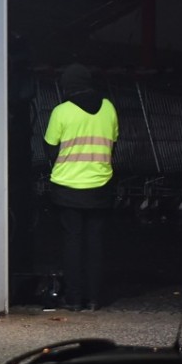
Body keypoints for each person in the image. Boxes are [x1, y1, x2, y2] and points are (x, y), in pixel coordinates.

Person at [43, 63, 118, 312]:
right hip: (100, 184)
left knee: (72, 242)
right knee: (95, 241)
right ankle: (94, 298)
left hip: (67, 186)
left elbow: (50, 147)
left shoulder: (61, 112)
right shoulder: (108, 108)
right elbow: (113, 143)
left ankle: (74, 299)